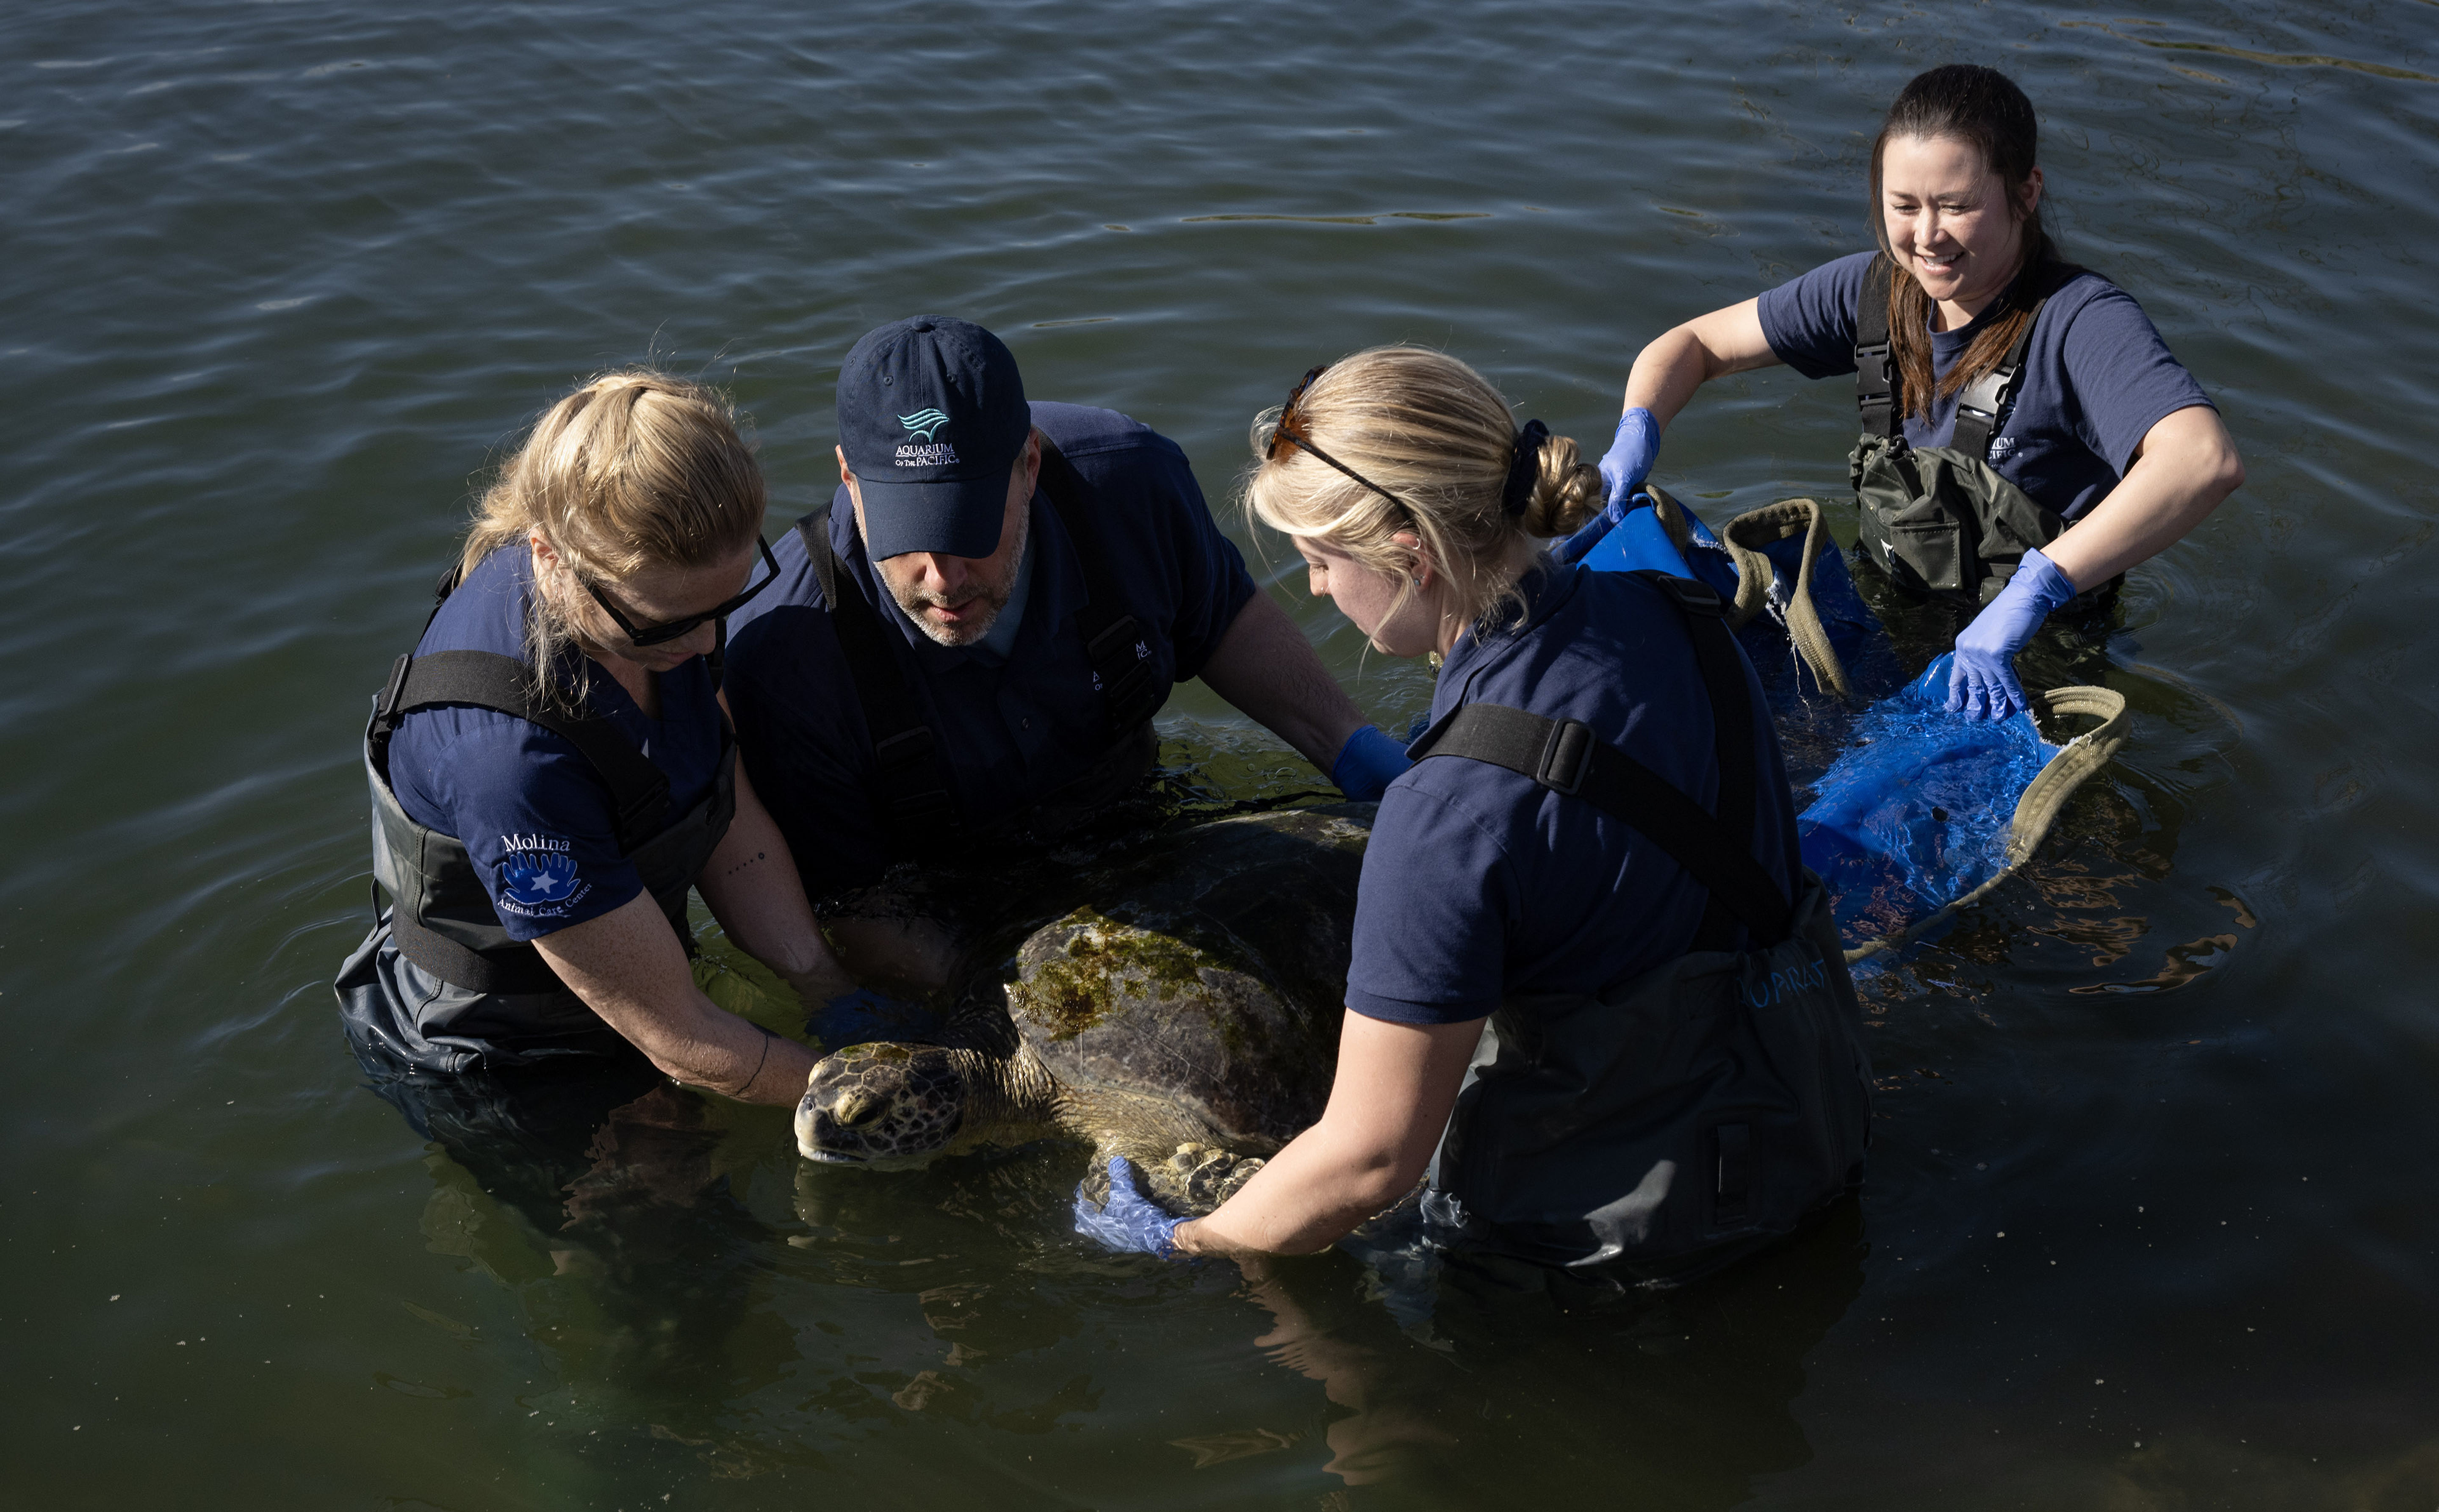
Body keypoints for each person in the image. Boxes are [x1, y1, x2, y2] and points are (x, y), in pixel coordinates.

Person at [1074, 348, 1871, 1281]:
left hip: (1625, 1256)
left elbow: (1370, 1162)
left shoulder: (1446, 813)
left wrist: (1187, 1239)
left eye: (1322, 560)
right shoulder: (1682, 613)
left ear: (1409, 549)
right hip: (1812, 1122)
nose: (1321, 590)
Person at [720, 315, 1407, 988]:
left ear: (1030, 465)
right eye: (909, 536)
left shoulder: (1132, 484)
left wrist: (1351, 747)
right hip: (951, 910)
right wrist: (1010, 1021)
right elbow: (855, 906)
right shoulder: (784, 653)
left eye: (969, 530)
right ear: (849, 478)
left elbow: (1223, 621)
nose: (943, 577)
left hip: (1134, 816)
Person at [1599, 63, 2244, 721]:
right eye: (1903, 206)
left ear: (2027, 193)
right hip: (1882, 607)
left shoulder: (2082, 321)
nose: (1926, 236)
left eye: (1957, 206)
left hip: (2029, 652)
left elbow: (2201, 460)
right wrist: (1636, 432)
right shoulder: (1871, 292)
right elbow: (1693, 346)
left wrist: (2036, 589)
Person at [335, 370, 869, 1106]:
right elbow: (678, 1035)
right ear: (550, 555)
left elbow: (727, 813)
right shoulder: (510, 765)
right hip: (505, 1053)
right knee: (670, 1207)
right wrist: (878, 1090)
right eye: (669, 621)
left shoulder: (661, 612)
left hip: (625, 957)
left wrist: (827, 989)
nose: (712, 640)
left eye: (731, 599)